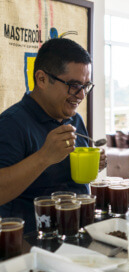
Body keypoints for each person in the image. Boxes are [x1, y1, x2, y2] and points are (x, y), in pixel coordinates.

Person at [0, 38, 106, 233]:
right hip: (31, 243)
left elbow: (71, 180)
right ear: (41, 79)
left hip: (79, 231)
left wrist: (92, 165)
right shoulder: (11, 124)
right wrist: (44, 157)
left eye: (85, 85)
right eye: (74, 85)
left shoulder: (75, 120)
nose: (81, 95)